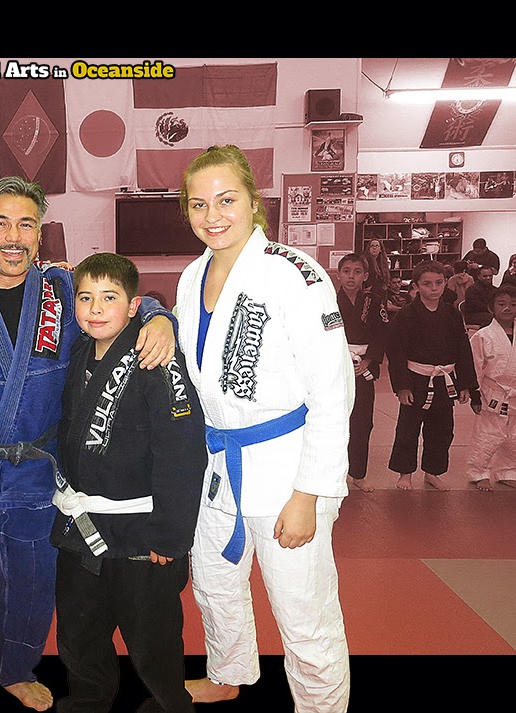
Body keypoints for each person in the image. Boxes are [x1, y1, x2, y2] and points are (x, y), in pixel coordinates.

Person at [0, 176, 175, 713]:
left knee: (34, 581)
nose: (13, 237)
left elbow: (120, 299)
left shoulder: (63, 293)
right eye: (0, 223)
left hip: (40, 471)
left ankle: (16, 668)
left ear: (40, 234)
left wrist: (159, 317)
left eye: (26, 224)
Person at [175, 145, 353, 711]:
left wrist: (310, 492)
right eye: (198, 204)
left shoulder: (294, 274)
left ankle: (321, 706)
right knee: (214, 582)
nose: (213, 215)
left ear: (254, 201)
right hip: (219, 465)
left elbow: (333, 392)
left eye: (226, 199)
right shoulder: (191, 276)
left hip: (285, 468)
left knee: (304, 611)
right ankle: (228, 673)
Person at [51, 252, 205, 713]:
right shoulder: (77, 352)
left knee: (153, 638)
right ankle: (88, 700)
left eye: (109, 298)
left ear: (134, 305)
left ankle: (169, 704)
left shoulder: (157, 357)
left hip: (141, 532)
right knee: (79, 633)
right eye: (85, 298)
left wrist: (171, 536)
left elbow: (181, 453)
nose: (95, 309)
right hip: (81, 527)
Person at [387, 260, 477, 491]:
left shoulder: (453, 314)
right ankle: (405, 473)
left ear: (446, 283)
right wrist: (402, 386)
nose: (434, 288)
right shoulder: (406, 315)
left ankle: (432, 472)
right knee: (408, 429)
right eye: (427, 284)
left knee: (441, 429)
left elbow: (463, 349)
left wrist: (465, 384)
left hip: (444, 379)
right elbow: (396, 352)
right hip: (416, 378)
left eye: (438, 283)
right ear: (416, 286)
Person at [336, 253, 388, 493]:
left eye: (357, 272)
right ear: (339, 274)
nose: (351, 277)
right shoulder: (328, 300)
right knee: (334, 421)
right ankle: (334, 473)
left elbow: (381, 333)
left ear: (365, 276)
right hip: (335, 367)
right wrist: (338, 359)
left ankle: (358, 473)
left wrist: (368, 361)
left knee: (362, 421)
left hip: (362, 368)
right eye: (346, 271)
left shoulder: (374, 301)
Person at [465, 285, 516, 491]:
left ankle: (508, 471)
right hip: (492, 393)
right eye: (501, 304)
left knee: (513, 437)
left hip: (514, 393)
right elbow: (475, 366)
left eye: (513, 304)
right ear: (491, 307)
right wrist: (474, 394)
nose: (507, 308)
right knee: (487, 435)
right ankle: (479, 473)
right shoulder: (483, 336)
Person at [462, 265, 497, 330]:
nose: (488, 278)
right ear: (478, 276)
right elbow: (474, 306)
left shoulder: (495, 289)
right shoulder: (472, 290)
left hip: (488, 313)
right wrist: (490, 309)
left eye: (490, 276)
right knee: (494, 318)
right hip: (473, 314)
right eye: (485, 276)